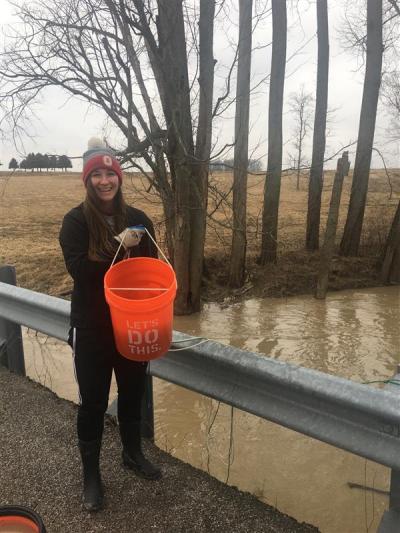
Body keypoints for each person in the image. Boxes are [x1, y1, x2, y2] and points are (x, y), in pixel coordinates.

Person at [59, 138, 161, 513]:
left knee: (134, 393)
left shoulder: (139, 219)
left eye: (110, 173)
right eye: (97, 174)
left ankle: (132, 455)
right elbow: (82, 273)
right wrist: (119, 246)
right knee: (93, 403)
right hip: (91, 328)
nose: (105, 180)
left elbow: (150, 270)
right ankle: (91, 476)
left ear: (119, 176)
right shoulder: (74, 221)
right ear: (87, 181)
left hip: (133, 324)